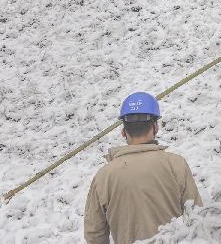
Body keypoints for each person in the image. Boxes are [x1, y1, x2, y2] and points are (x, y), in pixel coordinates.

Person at [84, 92, 202, 244]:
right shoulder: (176, 164)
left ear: (123, 132)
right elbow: (196, 215)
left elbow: (94, 234)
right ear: (155, 127)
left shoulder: (104, 176)